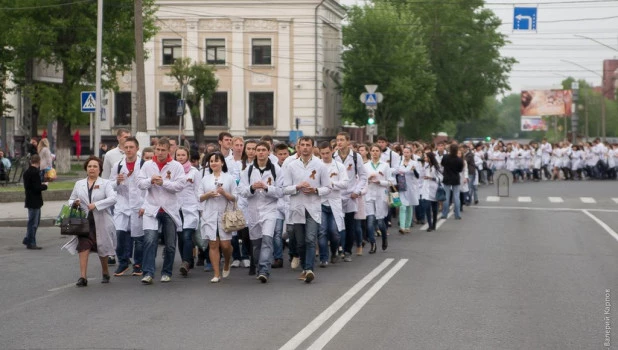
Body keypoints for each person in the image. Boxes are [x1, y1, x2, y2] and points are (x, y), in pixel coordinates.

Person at [282, 136, 332, 283]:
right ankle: (305, 268)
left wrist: (315, 190)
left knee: (311, 239)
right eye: (302, 145)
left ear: (312, 147)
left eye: (308, 145)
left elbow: (328, 188)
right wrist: (297, 187)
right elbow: (285, 189)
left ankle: (309, 269)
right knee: (300, 243)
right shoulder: (291, 166)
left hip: (312, 207)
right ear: (298, 147)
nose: (305, 147)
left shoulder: (320, 165)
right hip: (297, 208)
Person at [137, 137, 185, 284]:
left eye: (163, 150)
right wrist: (150, 180)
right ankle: (148, 273)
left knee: (170, 244)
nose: (159, 152)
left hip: (169, 208)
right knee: (150, 240)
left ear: (169, 150)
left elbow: (180, 186)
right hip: (152, 207)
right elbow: (139, 183)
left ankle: (166, 272)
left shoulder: (176, 166)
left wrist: (164, 183)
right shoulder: (147, 165)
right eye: (157, 149)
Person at [68, 156, 117, 287]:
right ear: (86, 168)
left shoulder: (106, 183)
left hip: (101, 221)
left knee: (102, 247)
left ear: (100, 169)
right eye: (89, 166)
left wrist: (97, 204)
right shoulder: (79, 184)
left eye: (95, 166)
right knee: (83, 247)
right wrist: (74, 203)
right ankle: (83, 277)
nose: (92, 169)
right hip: (84, 222)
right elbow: (71, 199)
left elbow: (113, 198)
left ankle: (105, 271)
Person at [238, 141, 283, 283]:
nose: (261, 152)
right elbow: (242, 191)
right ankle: (259, 266)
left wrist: (267, 188)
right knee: (256, 244)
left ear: (269, 152)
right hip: (253, 211)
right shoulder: (248, 170)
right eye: (259, 150)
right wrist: (252, 188)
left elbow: (281, 191)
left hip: (270, 209)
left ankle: (264, 270)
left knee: (267, 240)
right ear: (255, 152)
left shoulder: (276, 169)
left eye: (264, 150)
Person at [109, 137, 146, 276]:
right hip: (122, 206)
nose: (129, 150)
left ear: (137, 149)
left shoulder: (144, 165)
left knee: (139, 237)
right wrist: (117, 182)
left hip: (139, 206)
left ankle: (138, 263)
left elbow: (149, 188)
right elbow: (110, 186)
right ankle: (123, 262)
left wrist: (145, 205)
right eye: (126, 147)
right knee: (118, 234)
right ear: (123, 149)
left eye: (132, 147)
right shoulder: (117, 166)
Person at [198, 152, 237, 283]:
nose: (213, 163)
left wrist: (224, 193)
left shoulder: (229, 178)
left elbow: (235, 197)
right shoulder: (205, 179)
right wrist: (208, 194)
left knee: (225, 245)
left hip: (224, 215)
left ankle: (226, 262)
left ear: (222, 163)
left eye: (216, 160)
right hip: (209, 215)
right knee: (213, 244)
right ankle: (216, 274)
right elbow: (199, 197)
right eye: (211, 161)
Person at [333, 132, 367, 260]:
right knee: (336, 225)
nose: (339, 142)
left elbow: (363, 176)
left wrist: (357, 191)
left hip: (350, 195)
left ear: (348, 142)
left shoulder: (355, 157)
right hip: (336, 195)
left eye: (342, 140)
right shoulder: (333, 156)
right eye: (337, 140)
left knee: (349, 225)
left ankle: (347, 251)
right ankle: (337, 248)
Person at [317, 141, 348, 267]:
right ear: (320, 153)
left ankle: (334, 251)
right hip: (321, 203)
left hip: (335, 202)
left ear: (332, 151)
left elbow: (345, 183)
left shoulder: (339, 166)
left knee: (334, 232)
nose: (325, 156)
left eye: (327, 153)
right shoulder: (317, 166)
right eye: (323, 153)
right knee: (322, 231)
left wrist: (332, 184)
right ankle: (324, 258)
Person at [175, 146, 201, 277]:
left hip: (191, 207)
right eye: (178, 155)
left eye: (183, 155)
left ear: (187, 156)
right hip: (175, 207)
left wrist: (200, 208)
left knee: (187, 235)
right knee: (180, 236)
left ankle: (185, 262)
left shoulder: (194, 171)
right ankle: (188, 260)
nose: (180, 157)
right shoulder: (172, 170)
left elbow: (198, 190)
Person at [363, 144, 393, 253]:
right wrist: (368, 178)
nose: (375, 153)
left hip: (381, 195)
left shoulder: (385, 166)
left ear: (380, 152)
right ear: (370, 152)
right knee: (370, 221)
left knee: (380, 222)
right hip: (369, 195)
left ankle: (384, 237)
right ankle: (373, 243)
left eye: (377, 151)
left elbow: (390, 182)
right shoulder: (365, 165)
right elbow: (361, 181)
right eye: (373, 151)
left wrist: (380, 181)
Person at [22, 155, 48, 249]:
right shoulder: (35, 172)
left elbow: (29, 186)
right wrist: (45, 185)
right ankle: (31, 242)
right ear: (39, 161)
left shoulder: (26, 172)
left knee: (31, 222)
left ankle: (27, 239)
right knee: (34, 223)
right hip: (35, 201)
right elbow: (37, 188)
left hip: (29, 199)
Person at [396, 147, 419, 233]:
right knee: (402, 206)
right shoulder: (399, 163)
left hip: (411, 188)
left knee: (409, 206)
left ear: (411, 153)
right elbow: (395, 172)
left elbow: (418, 176)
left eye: (407, 152)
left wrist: (414, 170)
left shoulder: (415, 163)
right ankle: (402, 227)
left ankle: (407, 226)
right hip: (402, 187)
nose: (405, 154)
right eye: (404, 152)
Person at [440, 143, 464, 220]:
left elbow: (442, 164)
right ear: (457, 150)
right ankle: (457, 214)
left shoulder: (445, 157)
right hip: (455, 178)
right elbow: (460, 170)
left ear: (449, 149)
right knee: (456, 197)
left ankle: (444, 214)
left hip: (447, 177)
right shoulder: (459, 159)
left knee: (446, 196)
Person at [420, 152, 441, 232]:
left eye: (425, 157)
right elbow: (420, 175)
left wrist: (431, 178)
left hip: (434, 189)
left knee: (434, 208)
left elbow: (441, 178)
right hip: (426, 189)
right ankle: (429, 225)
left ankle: (434, 224)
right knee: (427, 207)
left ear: (429, 158)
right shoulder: (425, 166)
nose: (424, 158)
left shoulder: (436, 167)